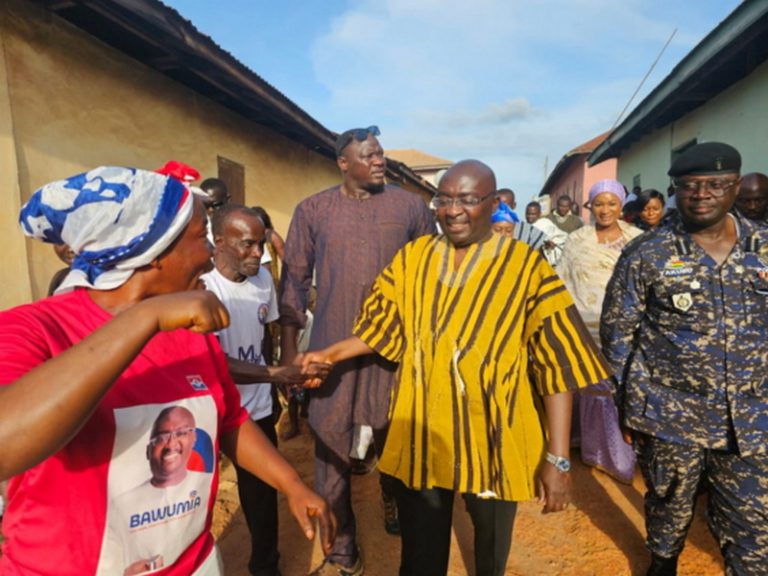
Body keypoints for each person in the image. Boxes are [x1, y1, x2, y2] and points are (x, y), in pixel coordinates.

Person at [0, 166, 334, 575]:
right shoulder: (33, 330)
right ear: (152, 250)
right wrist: (147, 318)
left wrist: (291, 484)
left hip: (189, 564)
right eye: (199, 237)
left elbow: (230, 419)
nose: (210, 253)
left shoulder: (190, 330)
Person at [299, 159, 611, 576]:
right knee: (420, 560)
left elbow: (556, 365)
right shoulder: (413, 258)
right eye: (443, 200)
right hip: (424, 436)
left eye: (467, 199)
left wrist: (558, 459)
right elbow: (380, 329)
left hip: (497, 438)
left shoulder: (527, 267)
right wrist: (329, 354)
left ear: (492, 203)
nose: (452, 210)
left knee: (490, 554)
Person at [601, 142, 768, 575]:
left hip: (752, 419)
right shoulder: (648, 253)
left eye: (715, 184)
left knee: (755, 533)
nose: (701, 194)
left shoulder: (763, 247)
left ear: (734, 186)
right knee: (668, 511)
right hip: (671, 418)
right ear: (676, 189)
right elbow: (618, 335)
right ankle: (663, 561)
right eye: (690, 186)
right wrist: (630, 407)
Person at [279, 126, 436, 575]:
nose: (379, 160)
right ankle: (341, 546)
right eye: (368, 154)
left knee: (397, 436)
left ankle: (394, 500)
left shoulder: (410, 207)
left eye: (381, 153)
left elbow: (427, 278)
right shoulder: (313, 210)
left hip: (394, 349)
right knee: (329, 444)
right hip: (332, 347)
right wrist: (292, 351)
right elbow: (294, 280)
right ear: (343, 163)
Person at [203, 204, 321, 576]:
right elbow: (215, 364)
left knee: (261, 493)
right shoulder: (202, 290)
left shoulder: (261, 282)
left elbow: (267, 334)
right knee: (198, 492)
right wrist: (277, 374)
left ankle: (265, 565)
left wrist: (278, 383)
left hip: (255, 409)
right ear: (219, 242)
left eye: (262, 244)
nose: (258, 253)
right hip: (214, 410)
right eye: (248, 245)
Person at [556, 179, 642, 484]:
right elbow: (562, 280)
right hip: (581, 326)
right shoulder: (577, 239)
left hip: (622, 329)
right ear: (590, 206)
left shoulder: (638, 240)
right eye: (599, 204)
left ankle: (613, 455)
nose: (605, 210)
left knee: (613, 388)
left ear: (621, 206)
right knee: (582, 386)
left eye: (612, 203)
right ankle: (580, 443)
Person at [107, 406, 212, 575]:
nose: (170, 444)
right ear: (148, 451)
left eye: (181, 433)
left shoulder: (205, 481)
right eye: (161, 437)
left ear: (194, 439)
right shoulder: (118, 505)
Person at [525, 201, 567, 266]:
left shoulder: (544, 224)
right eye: (528, 214)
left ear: (540, 214)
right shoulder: (528, 227)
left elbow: (540, 240)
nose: (530, 216)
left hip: (556, 260)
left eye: (533, 214)